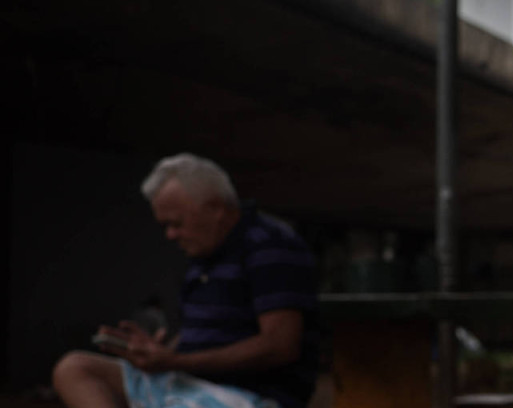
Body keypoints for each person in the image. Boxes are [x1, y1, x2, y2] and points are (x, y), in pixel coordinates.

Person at [51, 154, 320, 408]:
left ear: (215, 208)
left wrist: (177, 361)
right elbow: (196, 336)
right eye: (166, 226)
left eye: (176, 223)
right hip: (185, 381)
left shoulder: (270, 245)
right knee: (74, 369)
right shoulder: (205, 253)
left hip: (244, 395)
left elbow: (280, 346)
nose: (170, 235)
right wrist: (157, 353)